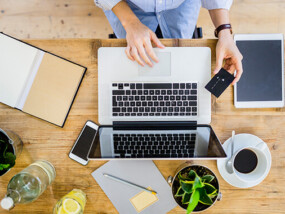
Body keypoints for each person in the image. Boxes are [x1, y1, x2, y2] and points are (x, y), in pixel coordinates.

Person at [95, 0, 243, 84]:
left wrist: (224, 31)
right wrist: (130, 23)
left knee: (181, 66)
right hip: (127, 4)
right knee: (132, 67)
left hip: (182, 3)